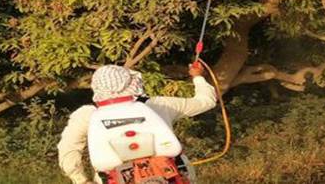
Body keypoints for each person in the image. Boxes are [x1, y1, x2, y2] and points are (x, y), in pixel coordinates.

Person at [57, 62, 217, 184]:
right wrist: (198, 76)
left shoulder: (87, 114)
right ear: (132, 83)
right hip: (171, 176)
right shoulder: (158, 105)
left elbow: (68, 150)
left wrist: (80, 180)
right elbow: (206, 101)